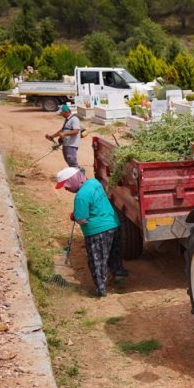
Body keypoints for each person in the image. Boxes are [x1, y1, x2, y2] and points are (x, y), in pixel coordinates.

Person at [54, 166, 127, 296]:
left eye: (67, 185)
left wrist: (74, 216)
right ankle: (119, 276)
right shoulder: (94, 182)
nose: (66, 189)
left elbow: (82, 219)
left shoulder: (81, 196)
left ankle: (100, 288)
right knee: (113, 254)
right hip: (113, 225)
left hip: (97, 232)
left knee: (97, 259)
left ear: (74, 180)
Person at [45, 103, 82, 168]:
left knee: (73, 163)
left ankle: (83, 177)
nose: (60, 114)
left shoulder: (74, 119)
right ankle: (77, 177)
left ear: (66, 112)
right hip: (66, 144)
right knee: (70, 163)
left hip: (71, 145)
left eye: (61, 113)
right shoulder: (67, 119)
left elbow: (76, 131)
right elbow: (62, 130)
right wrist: (52, 136)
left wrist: (64, 134)